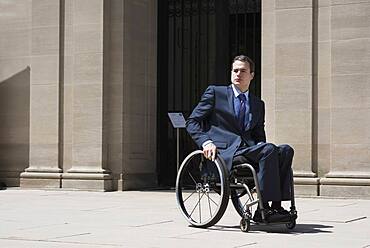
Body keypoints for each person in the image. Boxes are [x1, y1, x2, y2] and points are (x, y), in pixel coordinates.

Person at [186, 55, 294, 222]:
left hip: (248, 149)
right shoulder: (216, 93)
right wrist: (206, 142)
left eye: (243, 71)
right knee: (268, 149)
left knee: (286, 150)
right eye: (235, 70)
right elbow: (192, 122)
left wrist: (262, 146)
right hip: (224, 152)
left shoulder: (258, 104)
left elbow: (259, 135)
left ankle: (276, 206)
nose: (238, 74)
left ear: (252, 75)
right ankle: (262, 208)